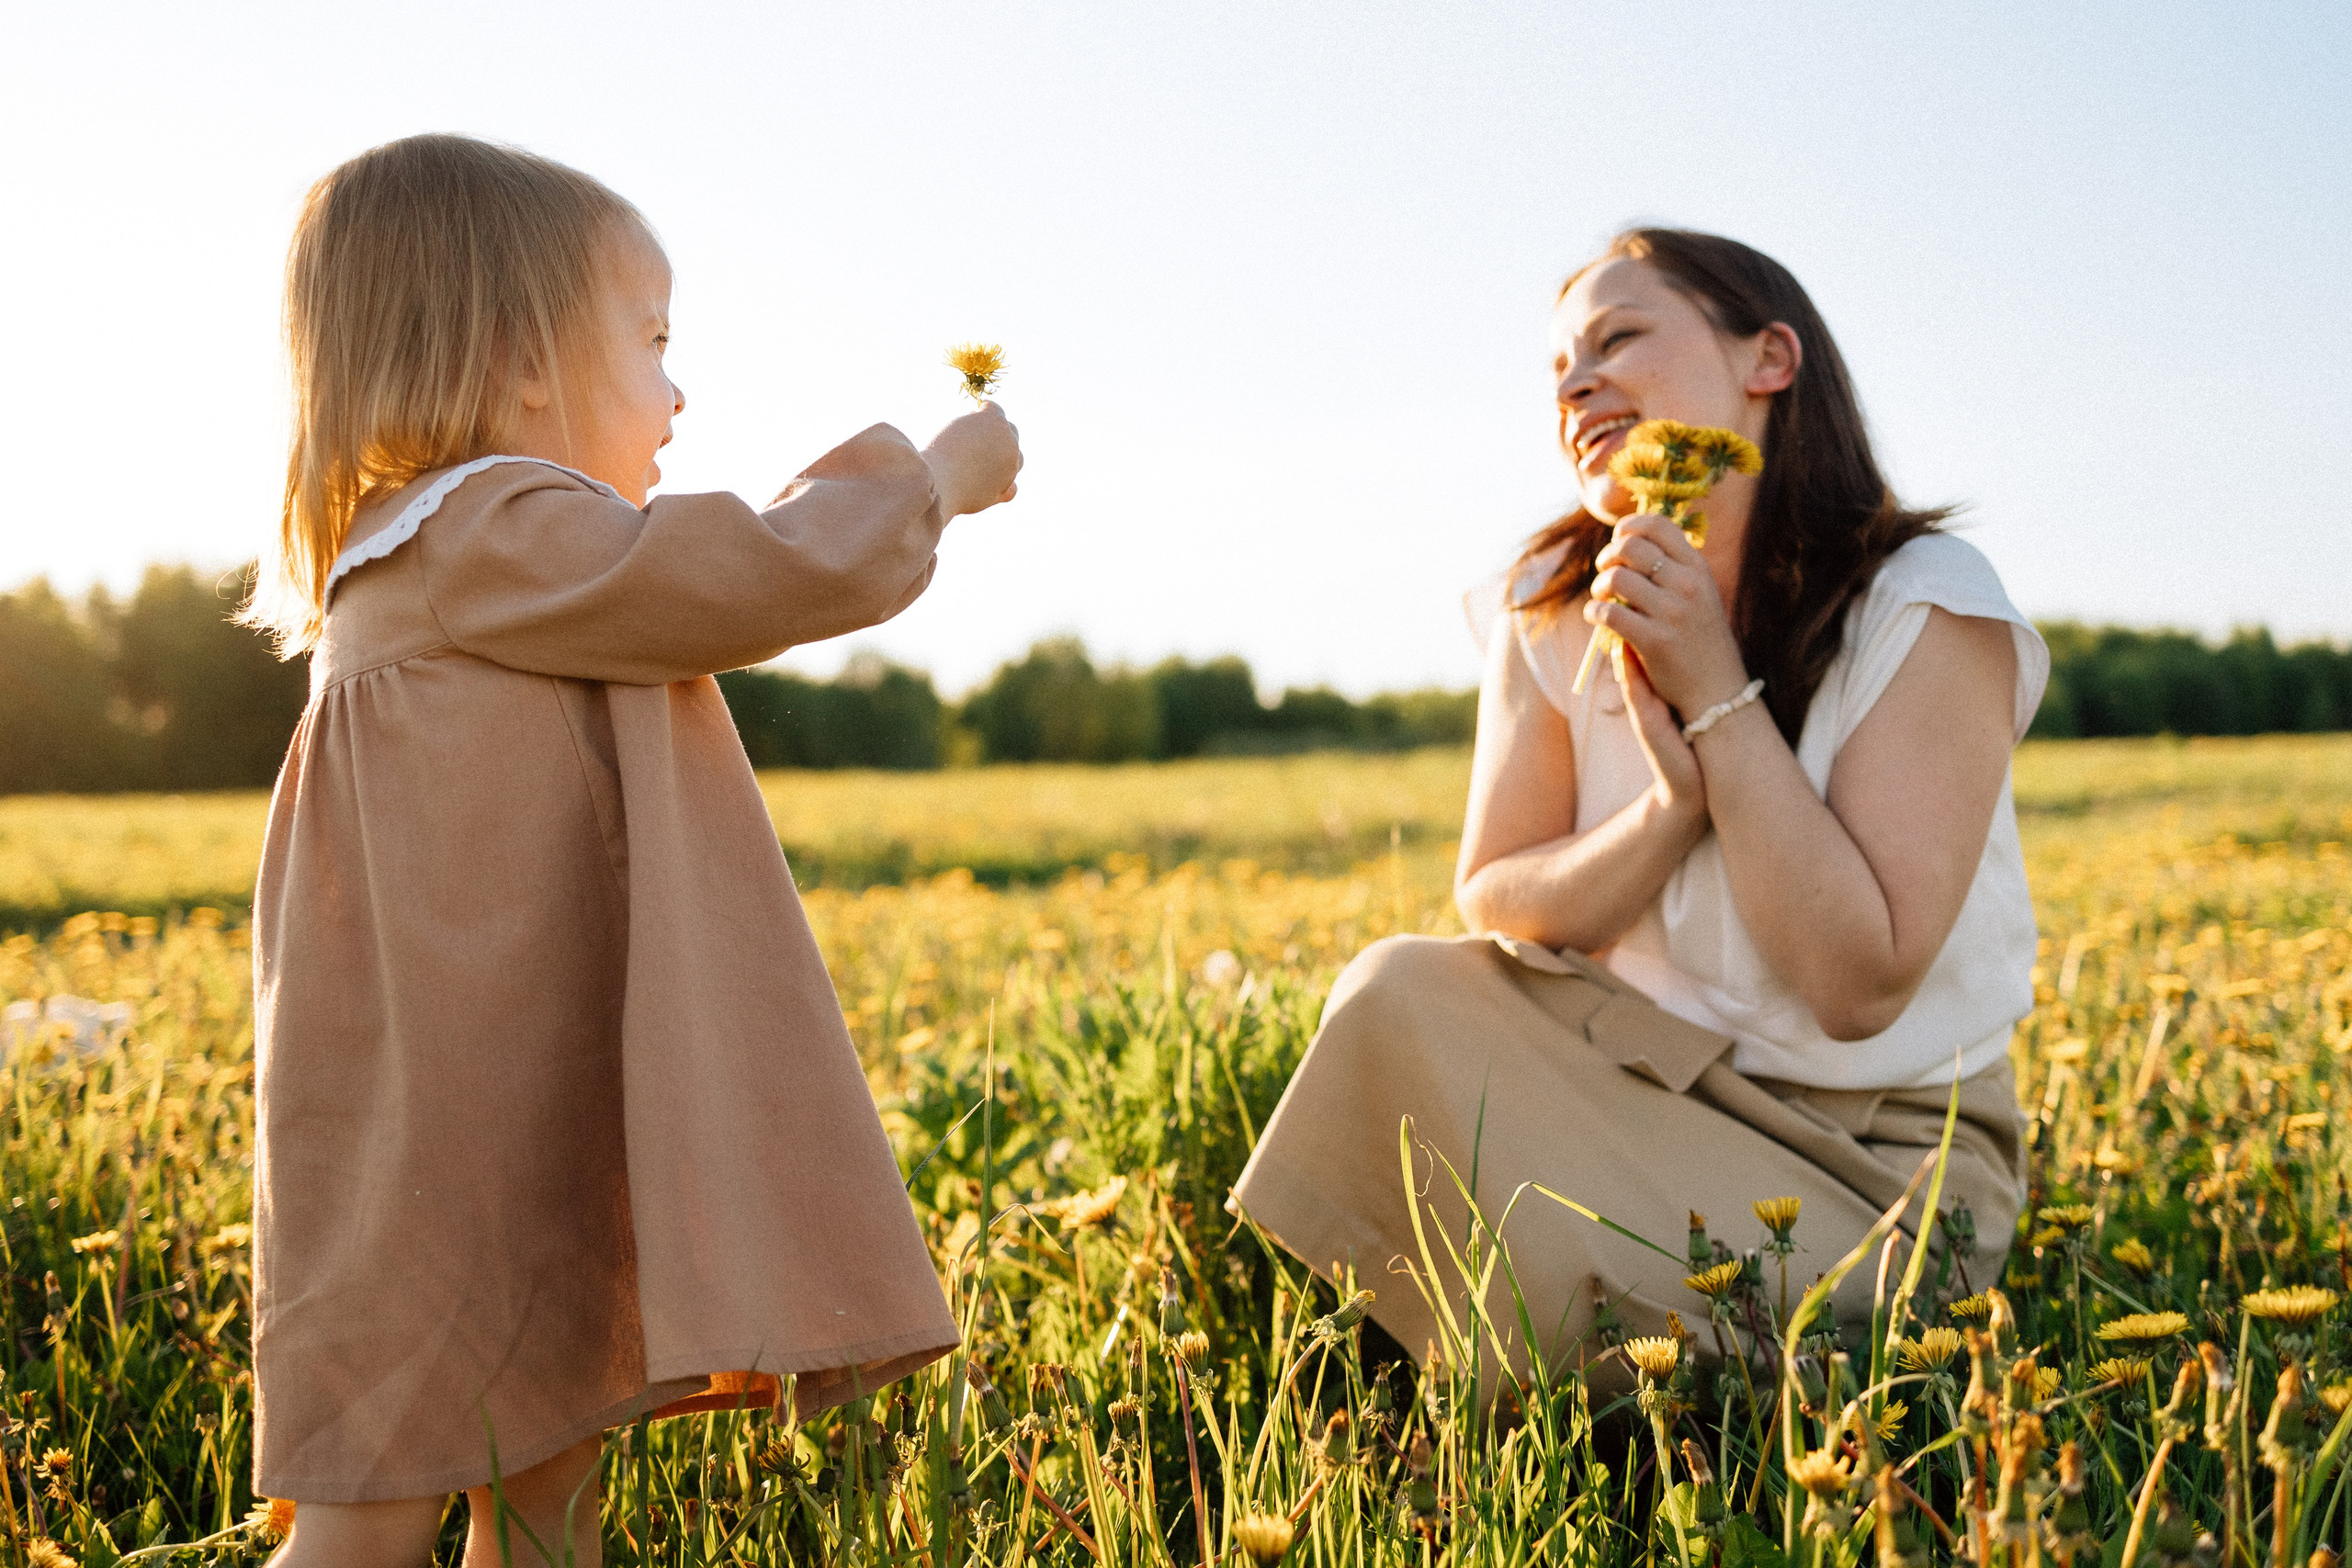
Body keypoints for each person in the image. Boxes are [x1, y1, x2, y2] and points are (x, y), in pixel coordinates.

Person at [242, 134, 1022, 1566]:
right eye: (652, 341)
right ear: (517, 356)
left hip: (478, 1121)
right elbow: (761, 568)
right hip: (458, 1144)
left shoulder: (436, 552)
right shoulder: (484, 527)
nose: (678, 389)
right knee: (378, 1511)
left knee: (535, 1484)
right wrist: (936, 478)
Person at [1230, 228, 2041, 1391]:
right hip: (1638, 1079)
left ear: (1767, 359)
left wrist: (1716, 695)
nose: (1574, 383)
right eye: (1559, 366)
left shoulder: (1924, 605)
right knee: (1396, 989)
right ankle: (1430, 1378)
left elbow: (1855, 986)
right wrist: (1667, 810)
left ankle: (1514, 1376)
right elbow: (1496, 893)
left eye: (1619, 339)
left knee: (1585, 1297)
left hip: (1876, 1162)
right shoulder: (1552, 603)